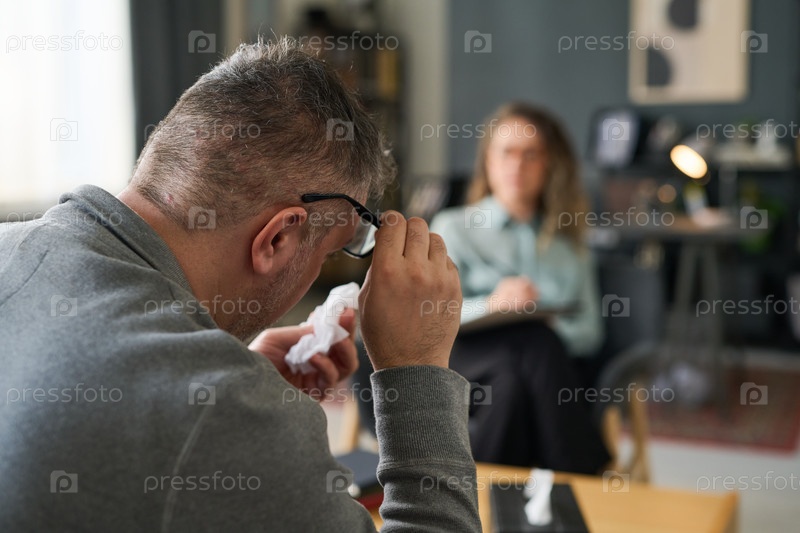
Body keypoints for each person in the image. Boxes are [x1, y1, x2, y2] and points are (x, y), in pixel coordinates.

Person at [0, 38, 481, 532]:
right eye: (328, 253)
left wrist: (234, 371)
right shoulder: (224, 408)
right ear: (278, 238)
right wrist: (416, 370)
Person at [429, 102, 610, 474]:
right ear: (488, 161)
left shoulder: (570, 243)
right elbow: (430, 317)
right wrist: (493, 305)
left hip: (537, 374)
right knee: (534, 343)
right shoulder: (453, 227)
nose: (517, 165)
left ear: (549, 165)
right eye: (507, 153)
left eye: (531, 154)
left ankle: (483, 500)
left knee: (512, 382)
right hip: (466, 360)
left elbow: (590, 331)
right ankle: (578, 478)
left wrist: (547, 326)